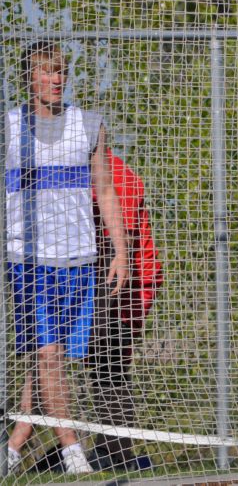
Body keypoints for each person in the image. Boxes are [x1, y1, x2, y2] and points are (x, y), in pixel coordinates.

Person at [5, 40, 128, 474]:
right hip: (28, 259)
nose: (57, 79)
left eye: (61, 71)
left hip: (79, 257)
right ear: (29, 78)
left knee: (50, 355)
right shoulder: (10, 127)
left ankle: (16, 442)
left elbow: (107, 191)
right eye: (47, 71)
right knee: (49, 356)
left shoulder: (88, 124)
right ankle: (72, 450)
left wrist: (120, 252)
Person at [84, 148, 162, 471]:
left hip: (128, 282)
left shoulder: (117, 175)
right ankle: (105, 447)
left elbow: (123, 242)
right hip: (97, 279)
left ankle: (117, 453)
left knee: (110, 362)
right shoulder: (75, 172)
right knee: (94, 361)